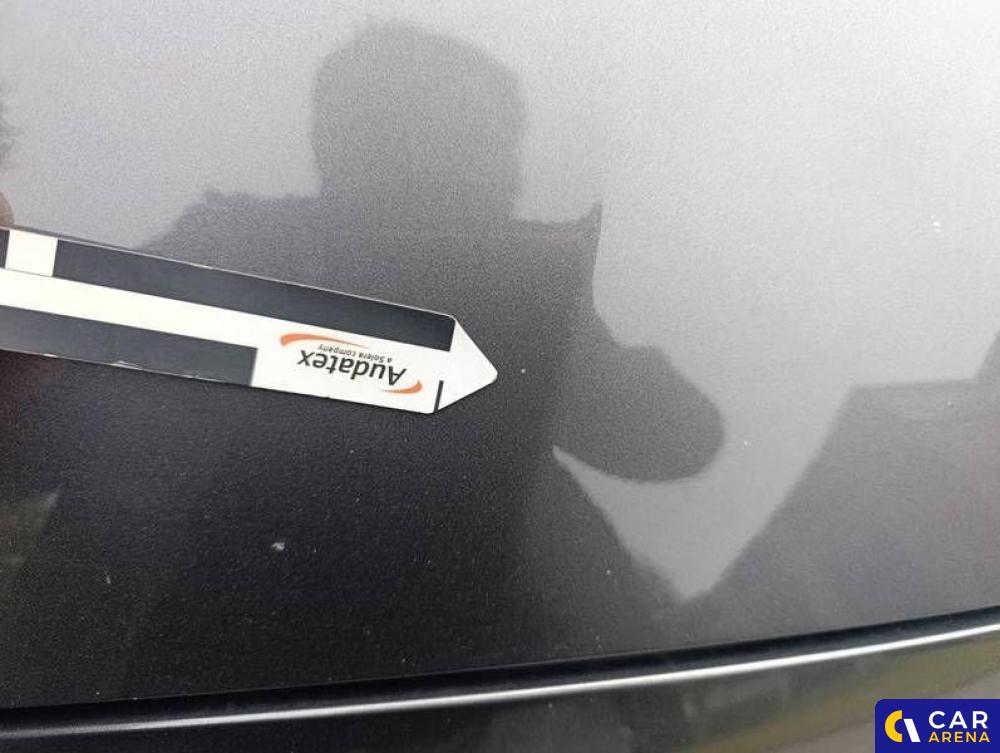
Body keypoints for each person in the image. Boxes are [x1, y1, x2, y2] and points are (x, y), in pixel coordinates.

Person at [0, 25, 723, 707]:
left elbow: (680, 438)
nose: (510, 169)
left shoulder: (232, 255)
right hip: (230, 699)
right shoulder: (232, 261)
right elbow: (32, 435)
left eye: (504, 141)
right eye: (482, 139)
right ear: (362, 143)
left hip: (461, 699)